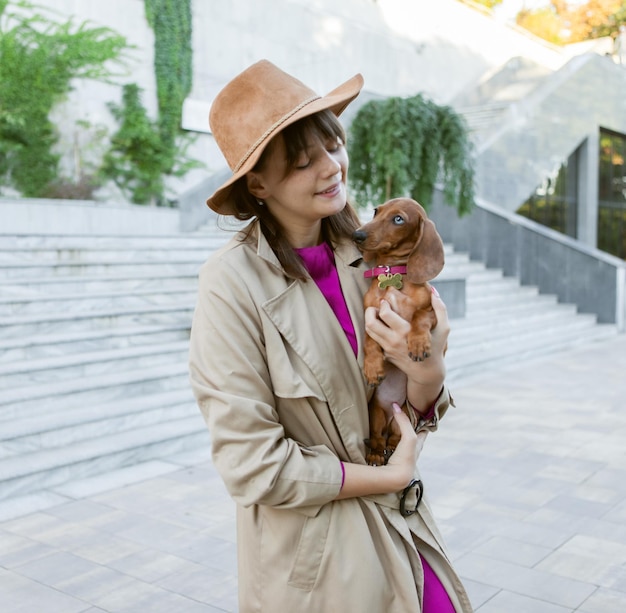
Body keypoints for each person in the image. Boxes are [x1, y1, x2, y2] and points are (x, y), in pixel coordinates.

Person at [189, 60, 473, 613]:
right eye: (302, 161)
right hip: (317, 561)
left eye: (334, 145)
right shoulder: (230, 285)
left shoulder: (370, 257)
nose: (331, 168)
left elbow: (397, 416)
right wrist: (386, 474)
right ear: (257, 183)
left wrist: (428, 374)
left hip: (405, 531)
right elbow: (253, 466)